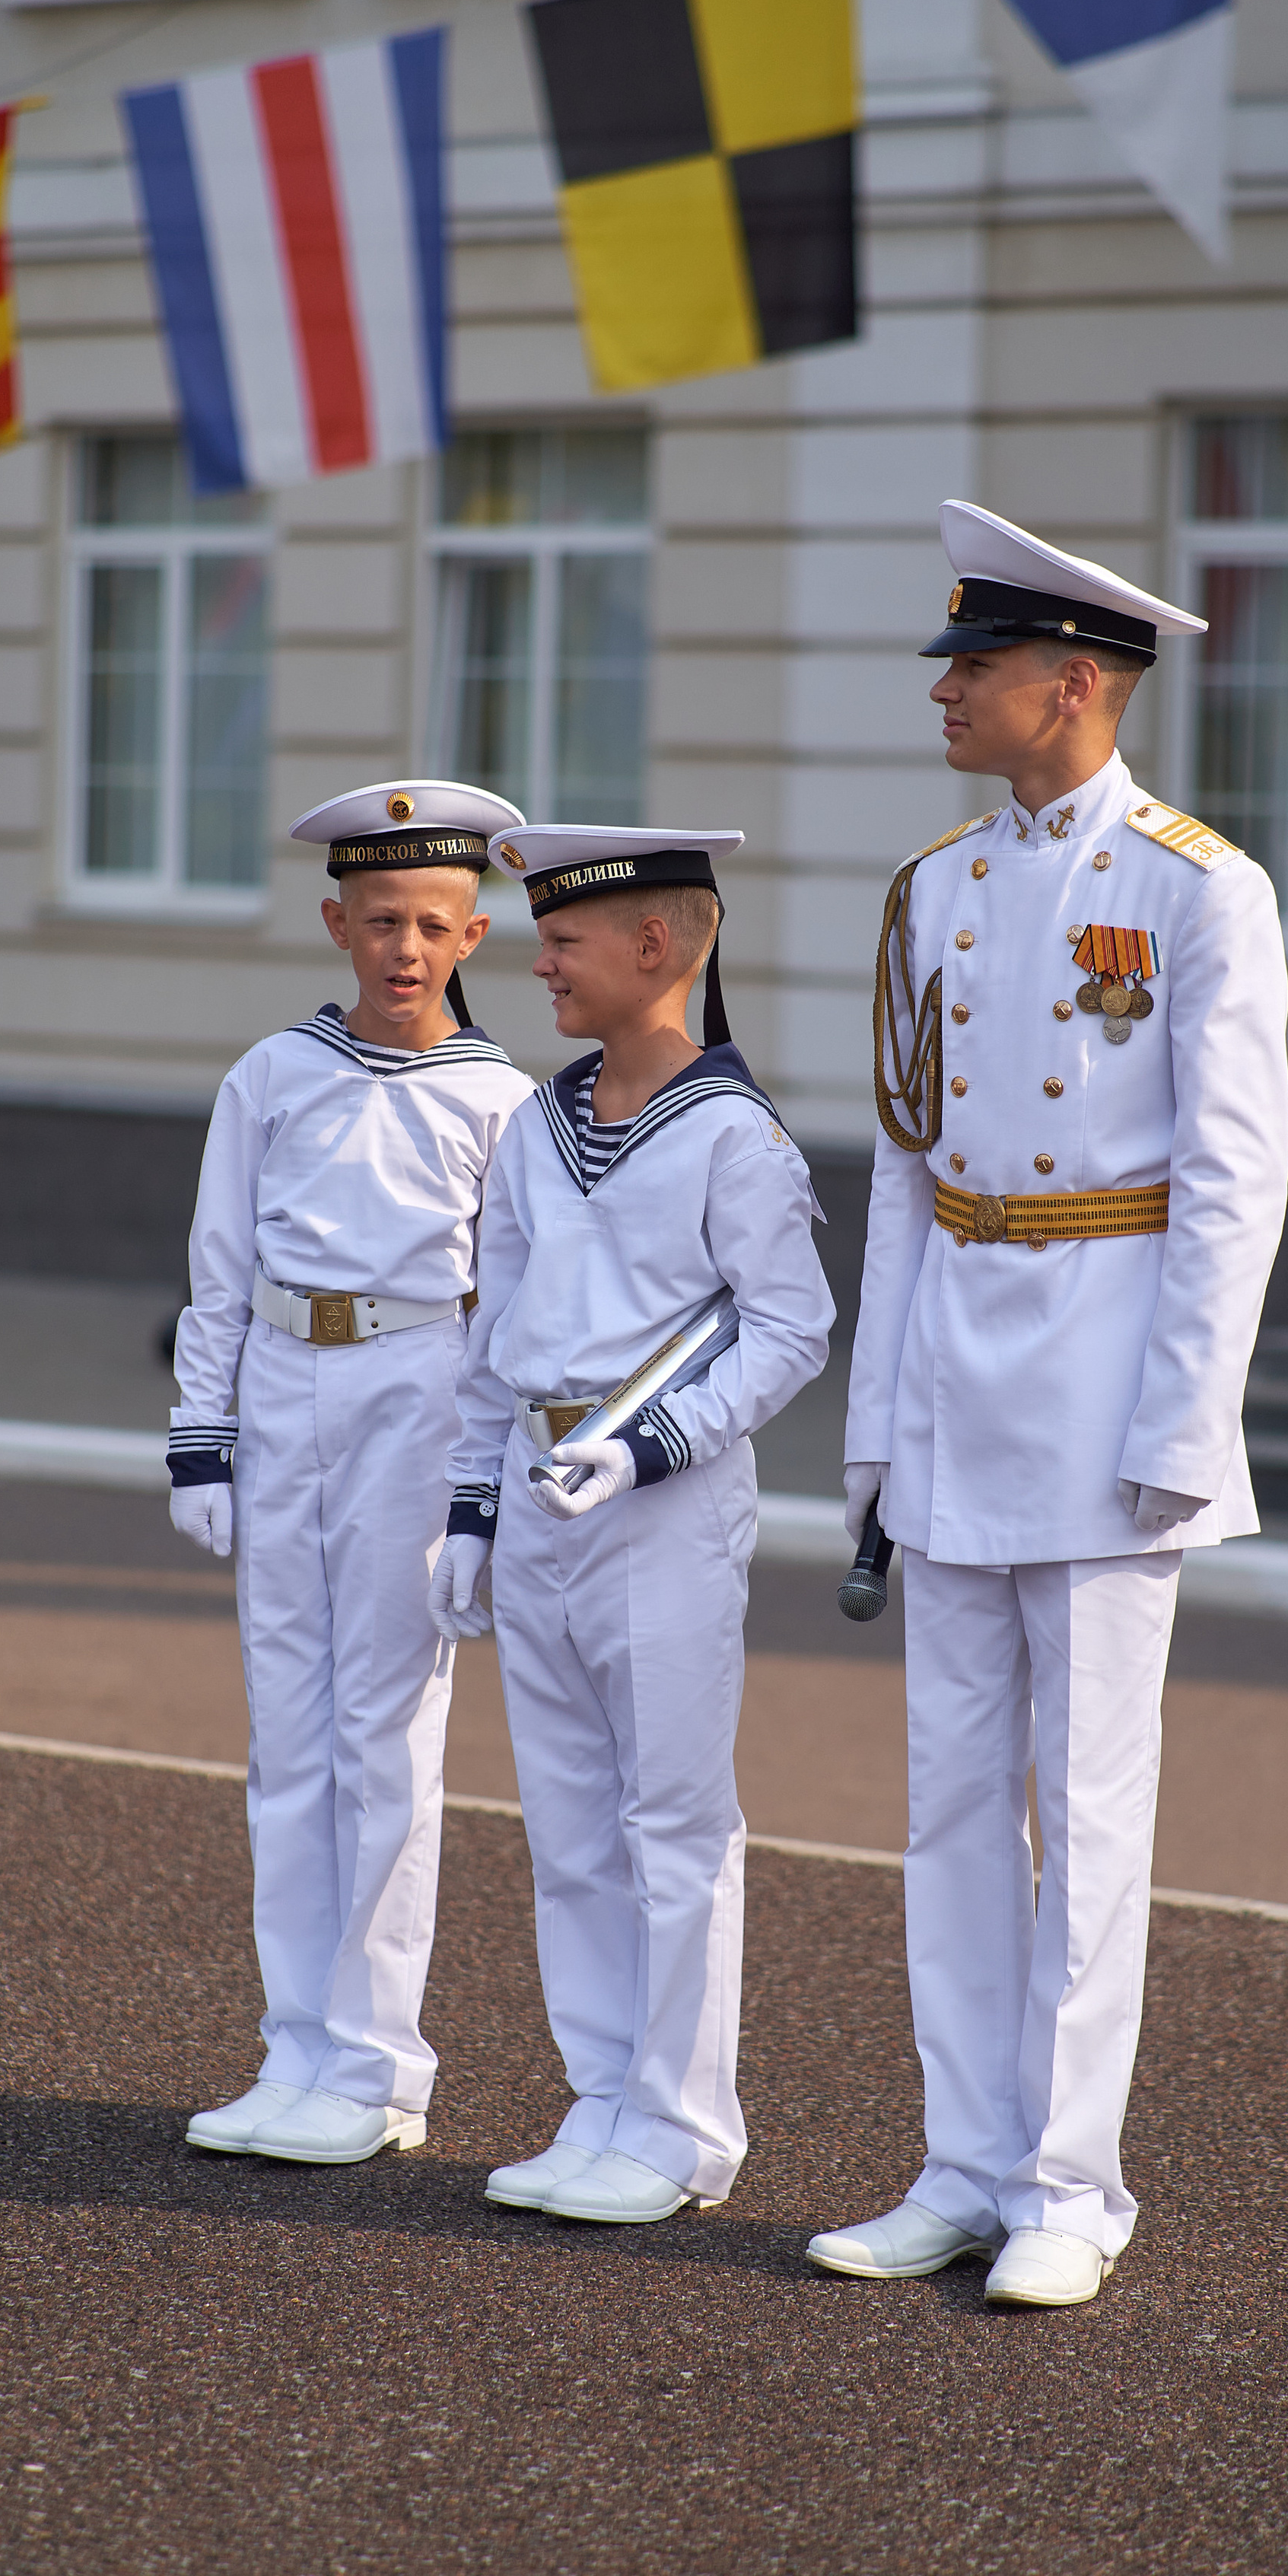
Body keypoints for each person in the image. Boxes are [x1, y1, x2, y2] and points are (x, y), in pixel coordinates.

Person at [807, 502, 1288, 2307]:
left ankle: (1069, 2183)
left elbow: (1230, 1185)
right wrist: (871, 1427)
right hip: (951, 1380)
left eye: (974, 666)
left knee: (1083, 1808)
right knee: (946, 1806)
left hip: (1101, 1388)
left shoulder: (1192, 888)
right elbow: (904, 1172)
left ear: (1070, 685)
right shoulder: (935, 885)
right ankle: (958, 2155)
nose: (941, 692)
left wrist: (1185, 1423)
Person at [431, 826, 832, 2227]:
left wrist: (660, 1440)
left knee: (670, 1822)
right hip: (540, 1503)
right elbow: (499, 1337)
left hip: (661, 1510)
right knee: (569, 1827)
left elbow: (791, 1330)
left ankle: (680, 2126)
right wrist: (473, 1509)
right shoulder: (540, 1122)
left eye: (565, 941)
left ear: (658, 948)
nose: (536, 961)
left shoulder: (736, 1135)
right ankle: (600, 2096)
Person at [170, 782, 534, 2167]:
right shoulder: (270, 1075)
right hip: (282, 1383)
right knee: (289, 1738)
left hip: (415, 1389)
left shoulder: (502, 1102)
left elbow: (506, 1311)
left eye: (433, 923)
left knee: (385, 1737)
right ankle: (296, 2045)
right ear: (335, 920)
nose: (404, 947)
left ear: (474, 934)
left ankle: (381, 2067)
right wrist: (203, 1434)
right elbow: (218, 1267)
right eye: (380, 918)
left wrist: (477, 1487)